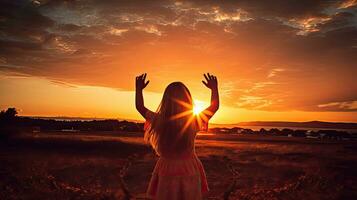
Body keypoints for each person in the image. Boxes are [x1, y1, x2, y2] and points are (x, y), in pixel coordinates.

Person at [135, 73, 219, 200]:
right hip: (189, 167)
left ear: (165, 101)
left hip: (166, 168)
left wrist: (139, 89)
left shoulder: (159, 121)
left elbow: (140, 107)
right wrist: (214, 88)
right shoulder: (193, 121)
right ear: (188, 101)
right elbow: (214, 107)